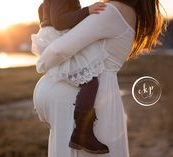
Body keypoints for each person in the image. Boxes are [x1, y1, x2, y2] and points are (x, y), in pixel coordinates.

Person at [33, 0, 164, 156]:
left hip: (81, 103)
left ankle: (82, 133)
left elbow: (58, 51)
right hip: (102, 96)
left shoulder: (111, 11)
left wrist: (42, 63)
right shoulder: (129, 13)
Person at [31, 0, 109, 154]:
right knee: (90, 82)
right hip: (59, 35)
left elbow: (43, 12)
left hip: (52, 35)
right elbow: (60, 22)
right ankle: (82, 133)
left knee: (77, 74)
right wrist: (88, 11)